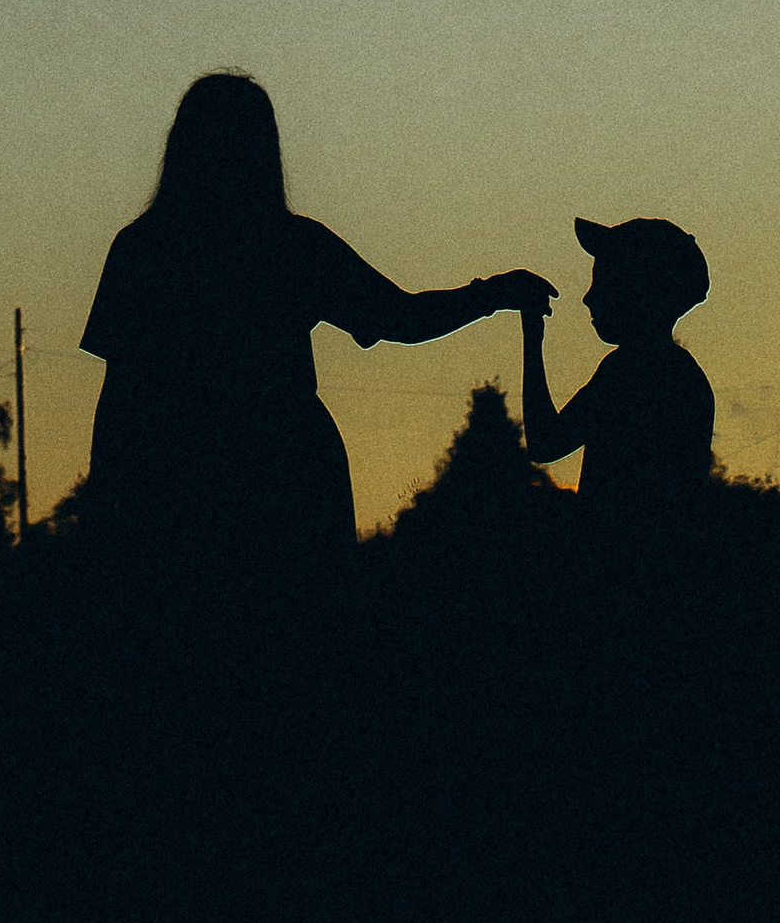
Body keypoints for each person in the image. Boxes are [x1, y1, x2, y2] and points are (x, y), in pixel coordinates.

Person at [81, 71, 552, 577]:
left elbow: (119, 401)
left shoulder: (142, 249)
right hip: (289, 475)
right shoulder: (293, 246)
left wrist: (107, 514)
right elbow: (402, 317)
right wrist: (491, 294)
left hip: (173, 484)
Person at [519, 216, 714, 519]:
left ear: (640, 290)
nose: (589, 297)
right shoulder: (680, 374)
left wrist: (532, 337)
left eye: (605, 280)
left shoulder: (630, 372)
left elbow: (546, 443)